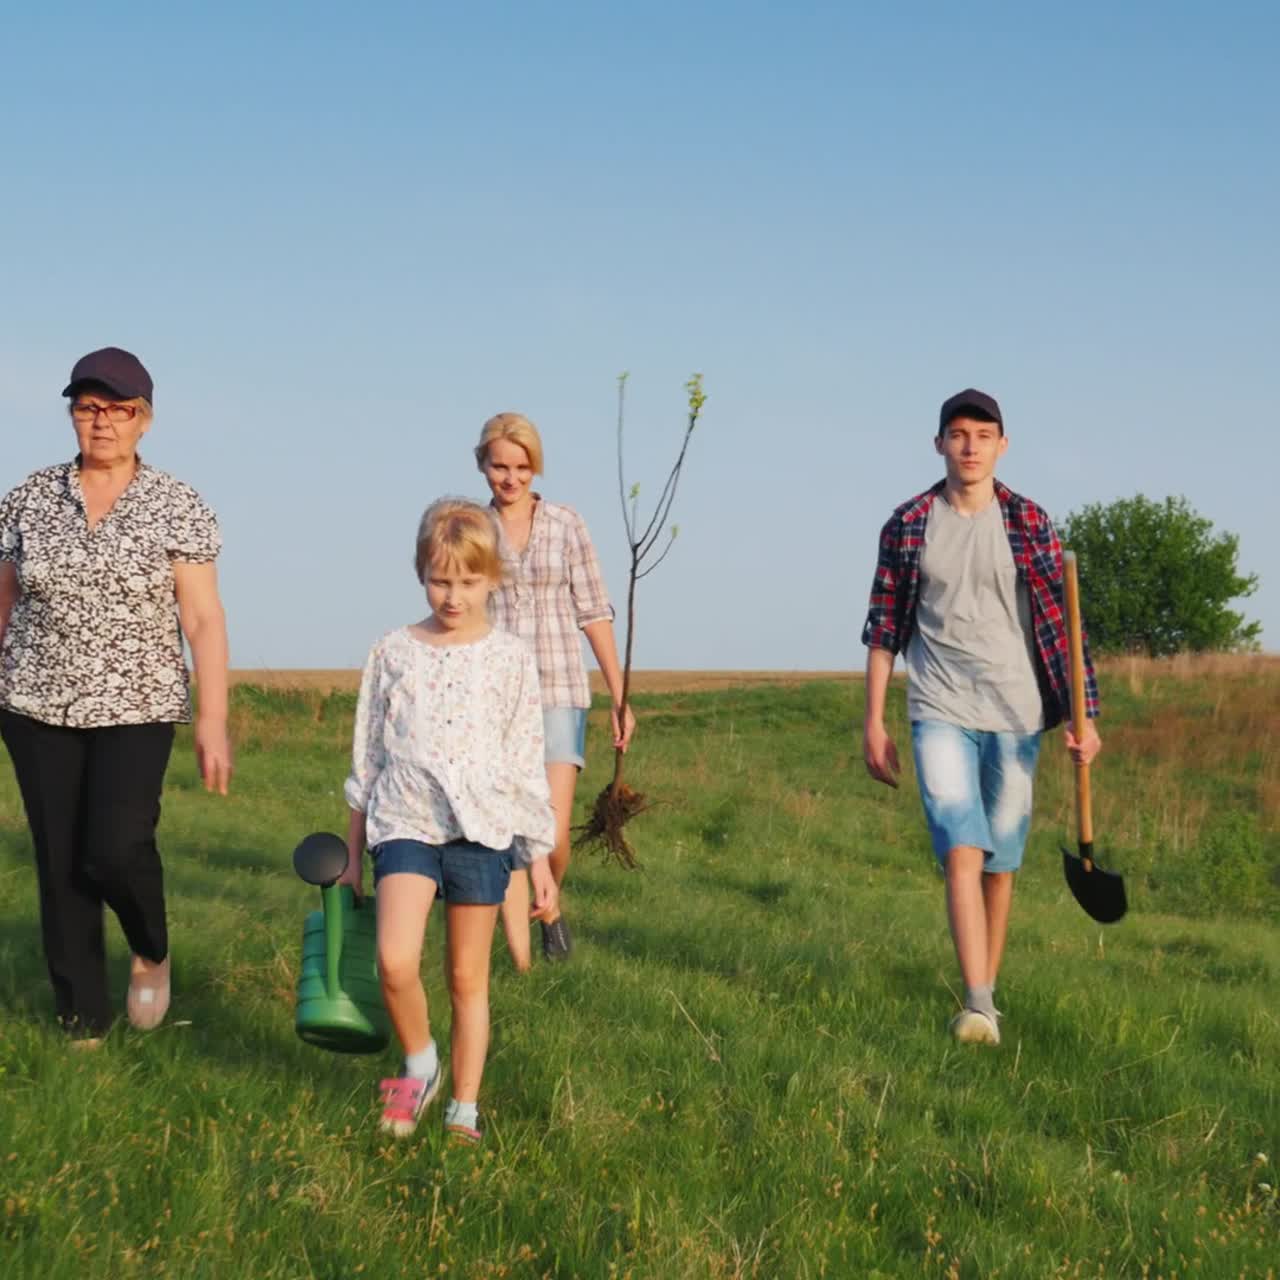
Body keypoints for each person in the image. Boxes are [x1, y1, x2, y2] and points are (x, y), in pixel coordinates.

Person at [0, 347, 231, 1045]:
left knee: (116, 849)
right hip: (35, 700)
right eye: (88, 406)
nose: (102, 422)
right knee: (61, 862)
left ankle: (150, 948)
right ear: (73, 413)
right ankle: (82, 1022)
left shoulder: (176, 503)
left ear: (144, 420)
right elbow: (4, 602)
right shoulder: (30, 498)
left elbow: (202, 617)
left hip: (138, 705)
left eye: (119, 409)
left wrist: (213, 718)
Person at [860, 388, 1101, 1046]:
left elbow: (1064, 628)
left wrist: (1087, 716)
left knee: (1000, 864)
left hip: (1016, 711)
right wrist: (874, 720)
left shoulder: (1030, 522)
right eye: (958, 434)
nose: (969, 446)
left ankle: (983, 1005)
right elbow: (884, 629)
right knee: (961, 850)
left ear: (1002, 445)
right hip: (938, 705)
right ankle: (977, 1000)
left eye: (982, 435)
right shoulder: (908, 524)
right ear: (938, 443)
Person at [339, 499, 558, 1142]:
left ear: (493, 578)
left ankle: (464, 1106)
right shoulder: (392, 652)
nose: (453, 596)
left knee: (467, 978)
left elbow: (524, 763)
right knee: (395, 961)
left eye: (467, 581)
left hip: (483, 832)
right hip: (404, 821)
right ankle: (418, 1061)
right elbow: (368, 757)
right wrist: (354, 850)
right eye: (440, 580)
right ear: (420, 574)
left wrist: (537, 860)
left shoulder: (511, 658)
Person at [475, 412, 635, 966]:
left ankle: (547, 901)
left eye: (521, 467)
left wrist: (619, 695)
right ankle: (521, 940)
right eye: (500, 466)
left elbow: (594, 611)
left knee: (552, 834)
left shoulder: (567, 523)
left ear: (535, 467)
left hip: (560, 689)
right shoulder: (472, 527)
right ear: (483, 465)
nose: (511, 478)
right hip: (491, 695)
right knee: (505, 822)